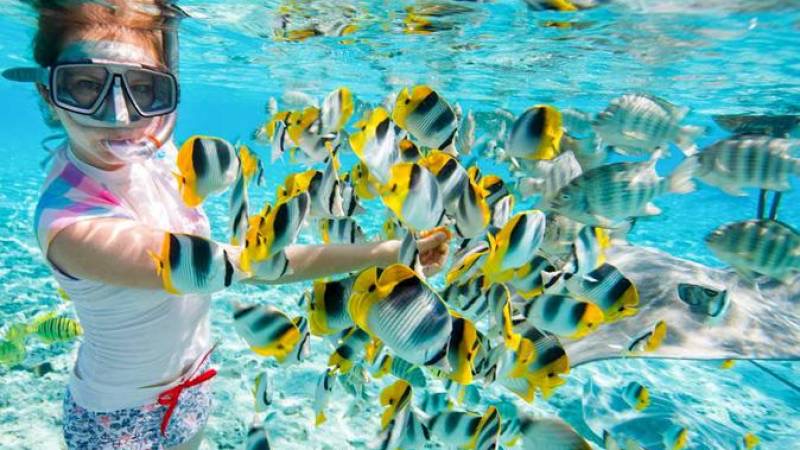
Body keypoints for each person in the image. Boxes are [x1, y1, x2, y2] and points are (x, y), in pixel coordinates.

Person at [3, 1, 450, 449]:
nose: (119, 114)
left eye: (144, 88)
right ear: (47, 91)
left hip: (195, 386)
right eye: (83, 86)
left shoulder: (157, 155)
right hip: (115, 420)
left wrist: (397, 252)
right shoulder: (74, 224)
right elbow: (254, 264)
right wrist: (386, 252)